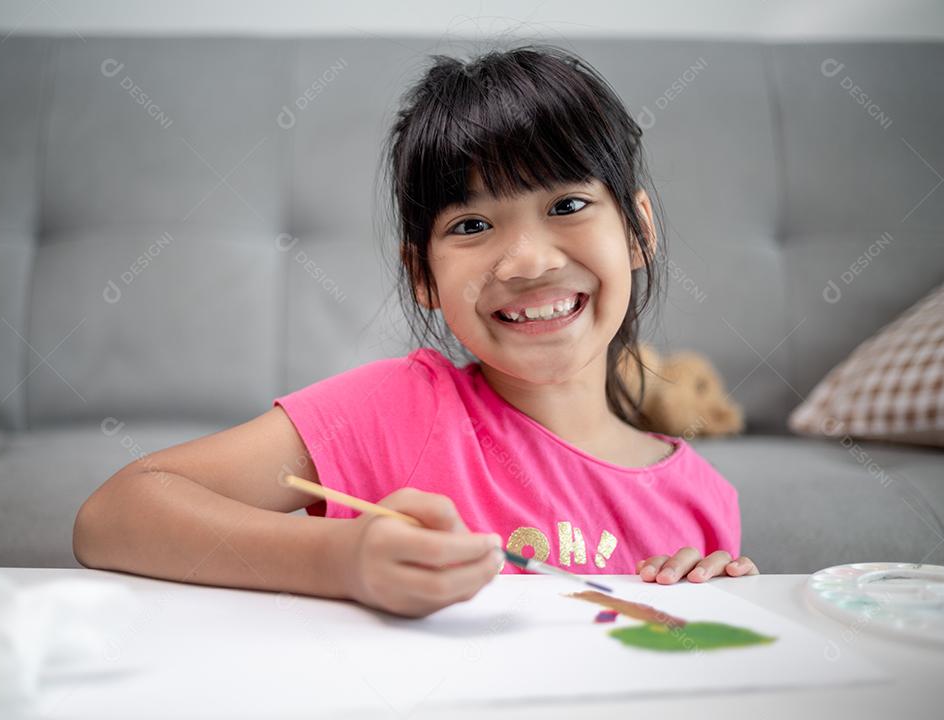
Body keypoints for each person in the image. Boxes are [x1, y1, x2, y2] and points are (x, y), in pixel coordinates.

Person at [73, 43, 758, 619]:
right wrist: (344, 561)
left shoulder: (705, 502)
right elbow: (114, 514)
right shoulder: (397, 409)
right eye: (471, 225)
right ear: (423, 276)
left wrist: (707, 611)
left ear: (638, 229)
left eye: (569, 204)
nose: (527, 261)